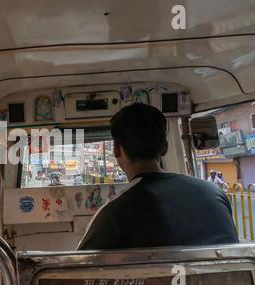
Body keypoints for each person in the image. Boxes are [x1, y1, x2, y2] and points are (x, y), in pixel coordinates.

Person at [77, 103, 238, 250]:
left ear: (116, 150)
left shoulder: (112, 214)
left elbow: (78, 272)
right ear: (164, 148)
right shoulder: (214, 193)